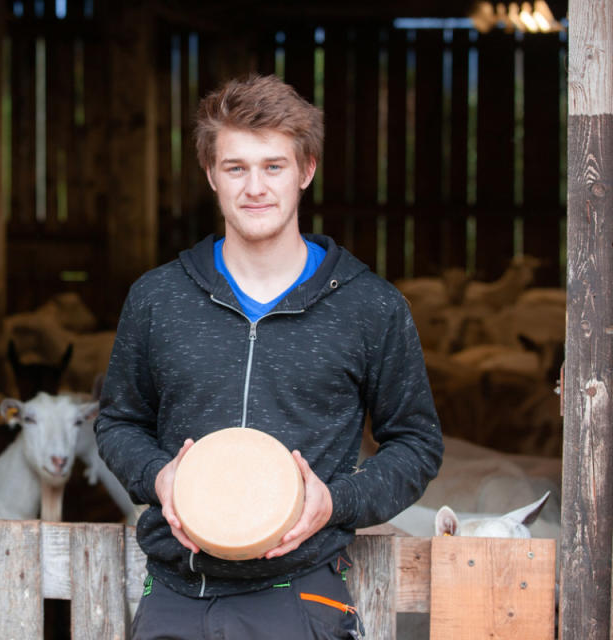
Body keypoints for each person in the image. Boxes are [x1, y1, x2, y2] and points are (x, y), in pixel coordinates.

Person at [94, 74, 443, 639]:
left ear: (306, 171)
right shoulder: (158, 298)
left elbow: (418, 444)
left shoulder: (369, 307)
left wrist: (336, 501)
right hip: (176, 595)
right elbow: (118, 422)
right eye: (236, 168)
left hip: (299, 595)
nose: (255, 186)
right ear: (211, 175)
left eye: (273, 166)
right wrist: (160, 478)